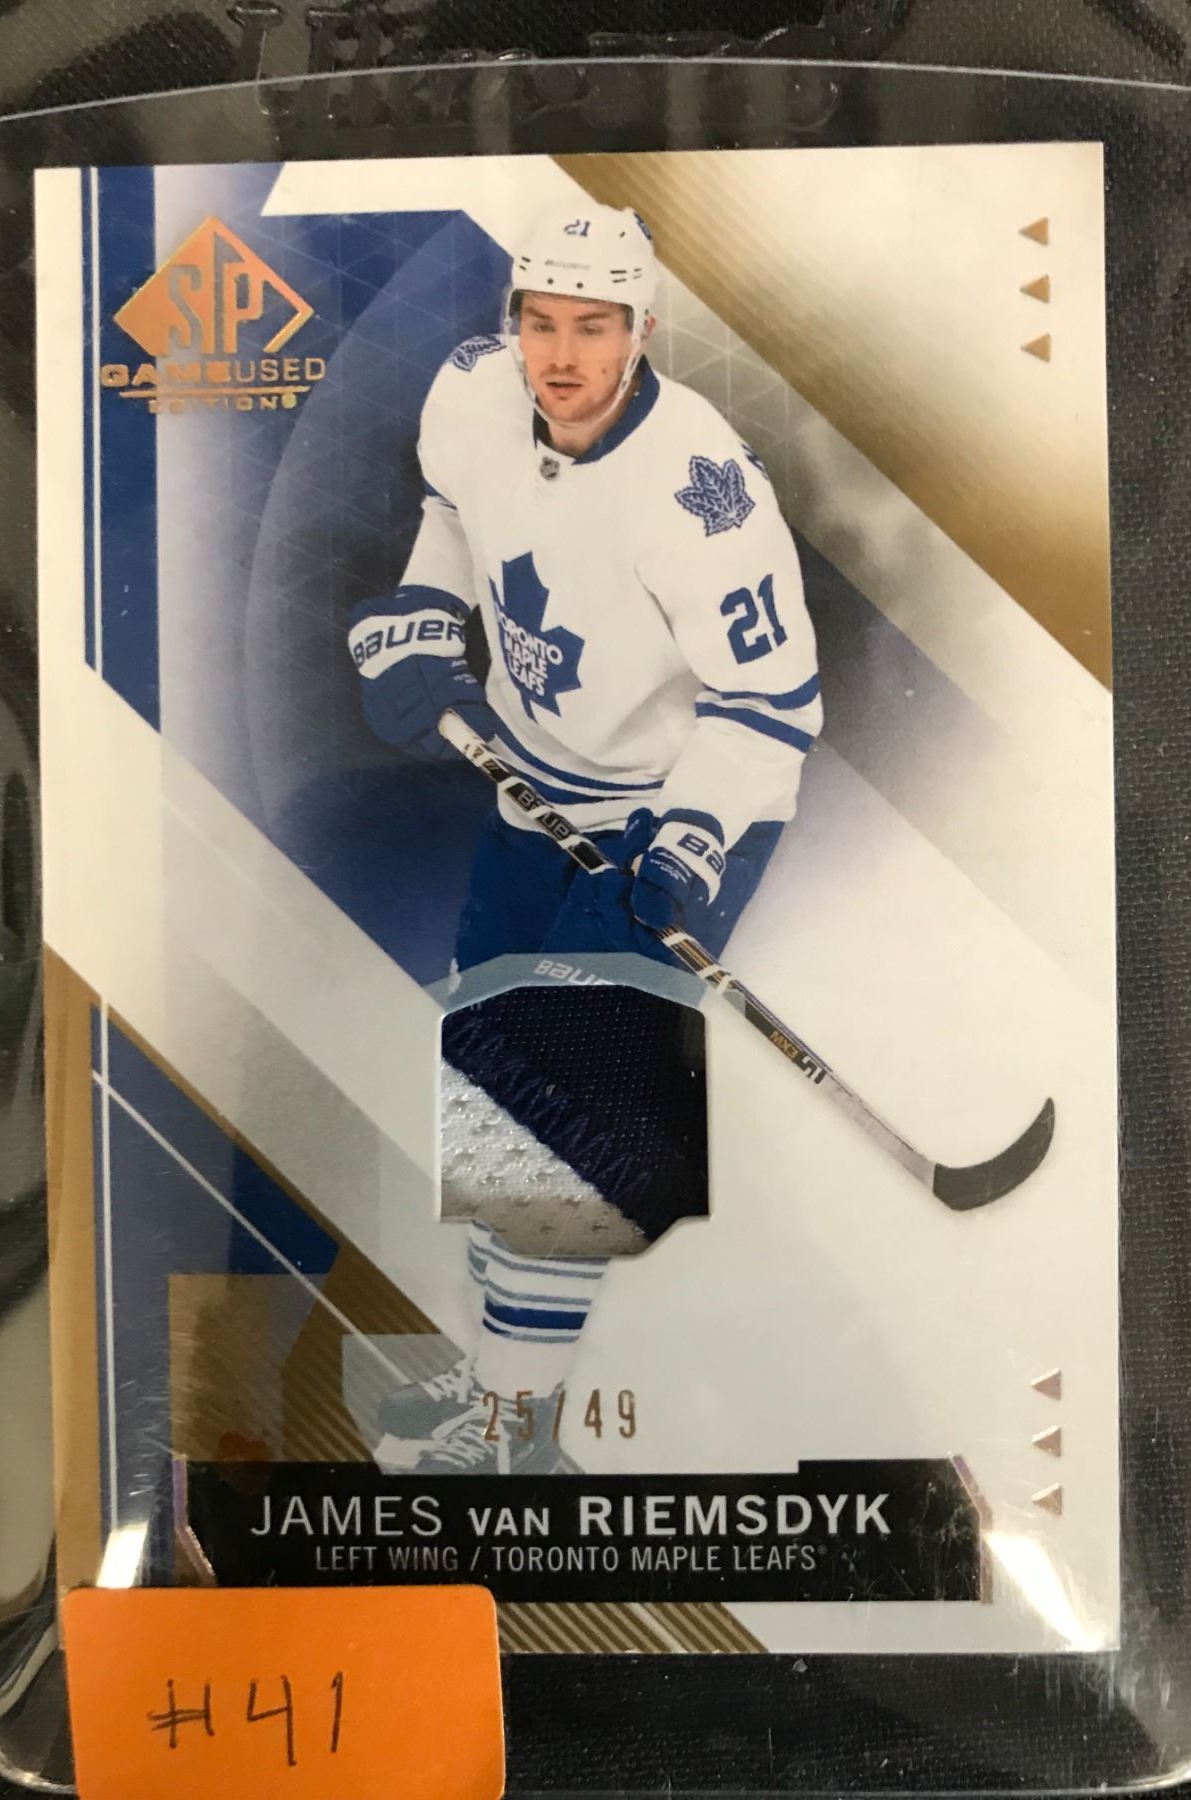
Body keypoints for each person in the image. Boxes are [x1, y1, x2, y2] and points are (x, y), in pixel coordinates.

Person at [349, 201, 821, 1474]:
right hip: (532, 788)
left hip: (684, 805)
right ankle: (502, 1385)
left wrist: (687, 845)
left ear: (642, 330)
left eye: (594, 328)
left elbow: (772, 705)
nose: (561, 356)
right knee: (493, 1081)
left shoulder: (702, 493)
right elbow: (453, 515)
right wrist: (421, 621)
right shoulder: (473, 394)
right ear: (513, 321)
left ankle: (518, 1432)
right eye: (541, 322)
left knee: (564, 1117)